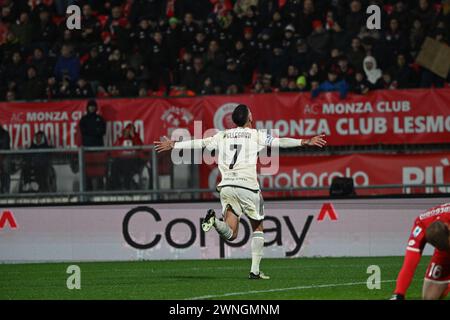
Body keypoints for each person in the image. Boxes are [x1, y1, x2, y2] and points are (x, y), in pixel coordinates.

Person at [154, 104, 327, 279]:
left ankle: (214, 221)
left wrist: (174, 144)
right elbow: (280, 141)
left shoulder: (222, 135)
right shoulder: (256, 135)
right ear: (249, 118)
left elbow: (199, 143)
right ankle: (255, 271)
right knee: (258, 227)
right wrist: (304, 141)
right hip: (248, 187)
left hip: (227, 186)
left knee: (231, 234)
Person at [391, 202, 450, 300]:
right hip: (444, 253)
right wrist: (398, 294)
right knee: (429, 297)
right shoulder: (420, 225)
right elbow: (409, 264)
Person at [110, 124, 145, 190]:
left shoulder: (136, 138)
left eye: (131, 130)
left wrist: (133, 136)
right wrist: (124, 137)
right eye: (128, 130)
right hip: (122, 160)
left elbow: (140, 147)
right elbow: (114, 150)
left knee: (128, 166)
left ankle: (127, 187)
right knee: (114, 165)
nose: (129, 132)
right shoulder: (121, 139)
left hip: (133, 161)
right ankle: (116, 187)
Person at [0, 126, 11, 193]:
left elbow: (5, 146)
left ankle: (5, 191)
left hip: (4, 157)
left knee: (5, 172)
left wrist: (1, 158)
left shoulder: (4, 133)